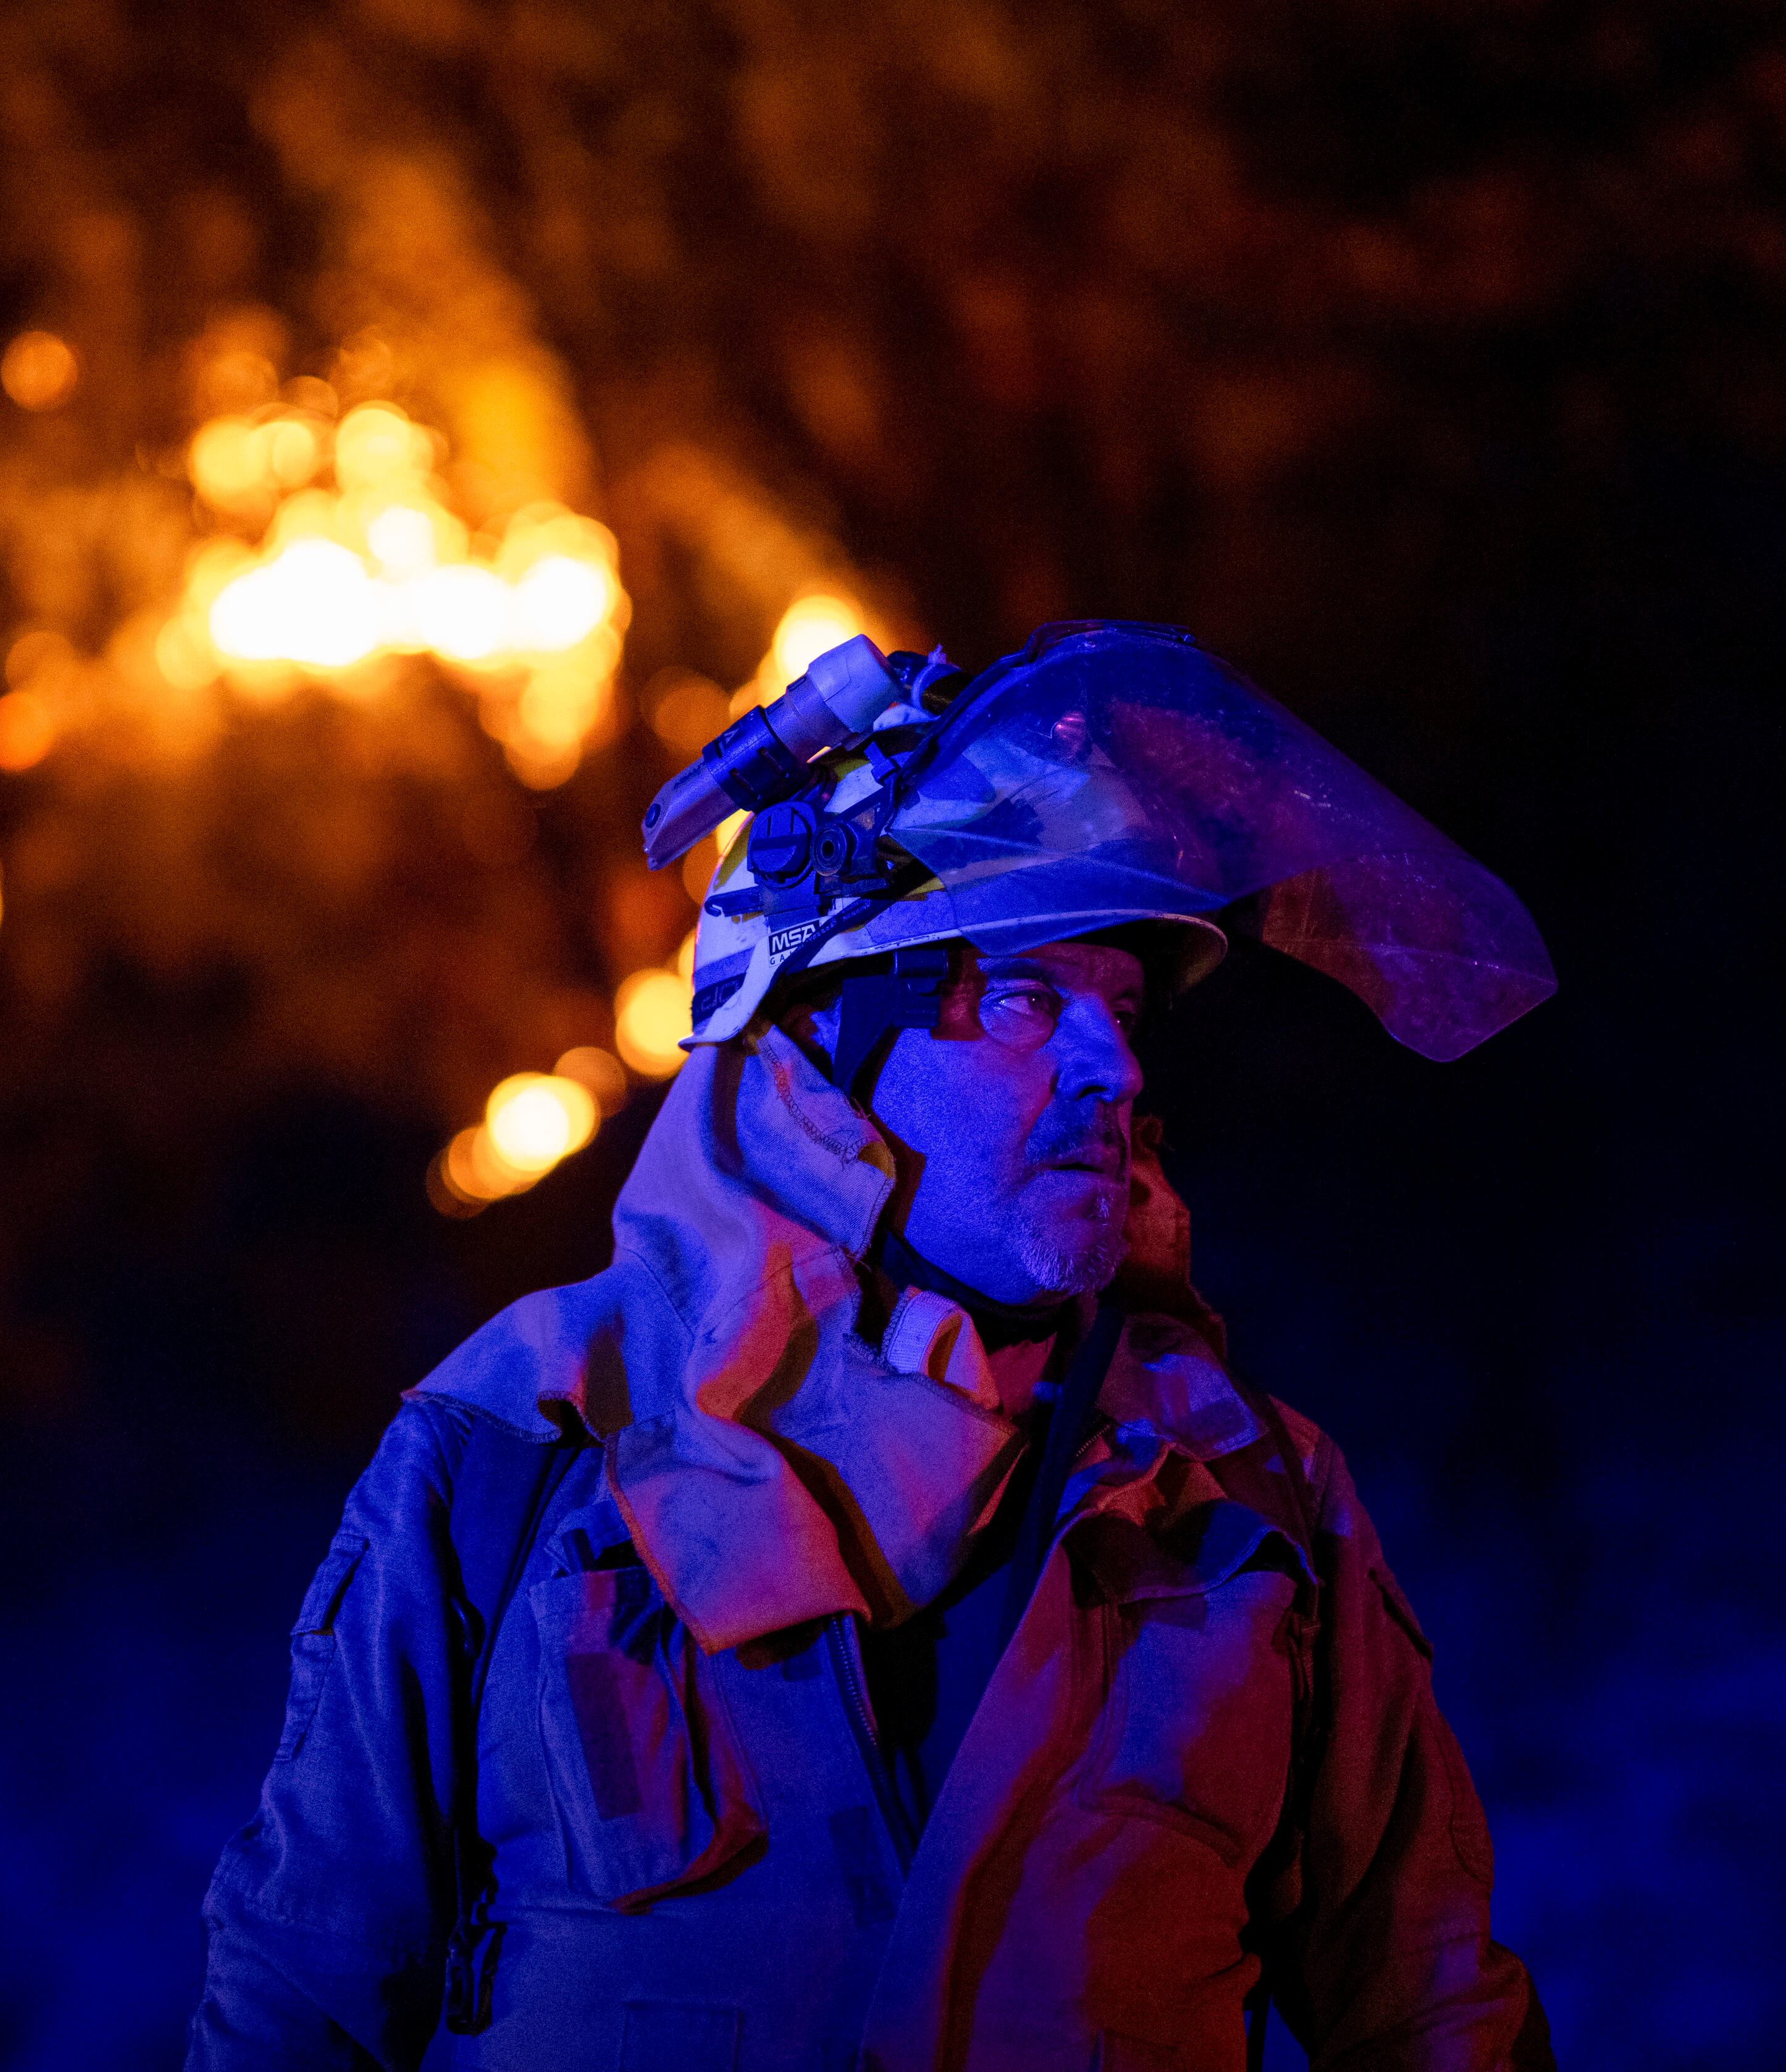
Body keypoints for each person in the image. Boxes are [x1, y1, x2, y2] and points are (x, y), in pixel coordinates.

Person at [188, 622, 1560, 2070]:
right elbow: (298, 2001)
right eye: (1027, 999)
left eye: (1125, 1008)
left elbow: (1435, 2018)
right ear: (814, 1054)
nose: (1116, 1066)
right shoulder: (523, 1453)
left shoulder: (1241, 1508)